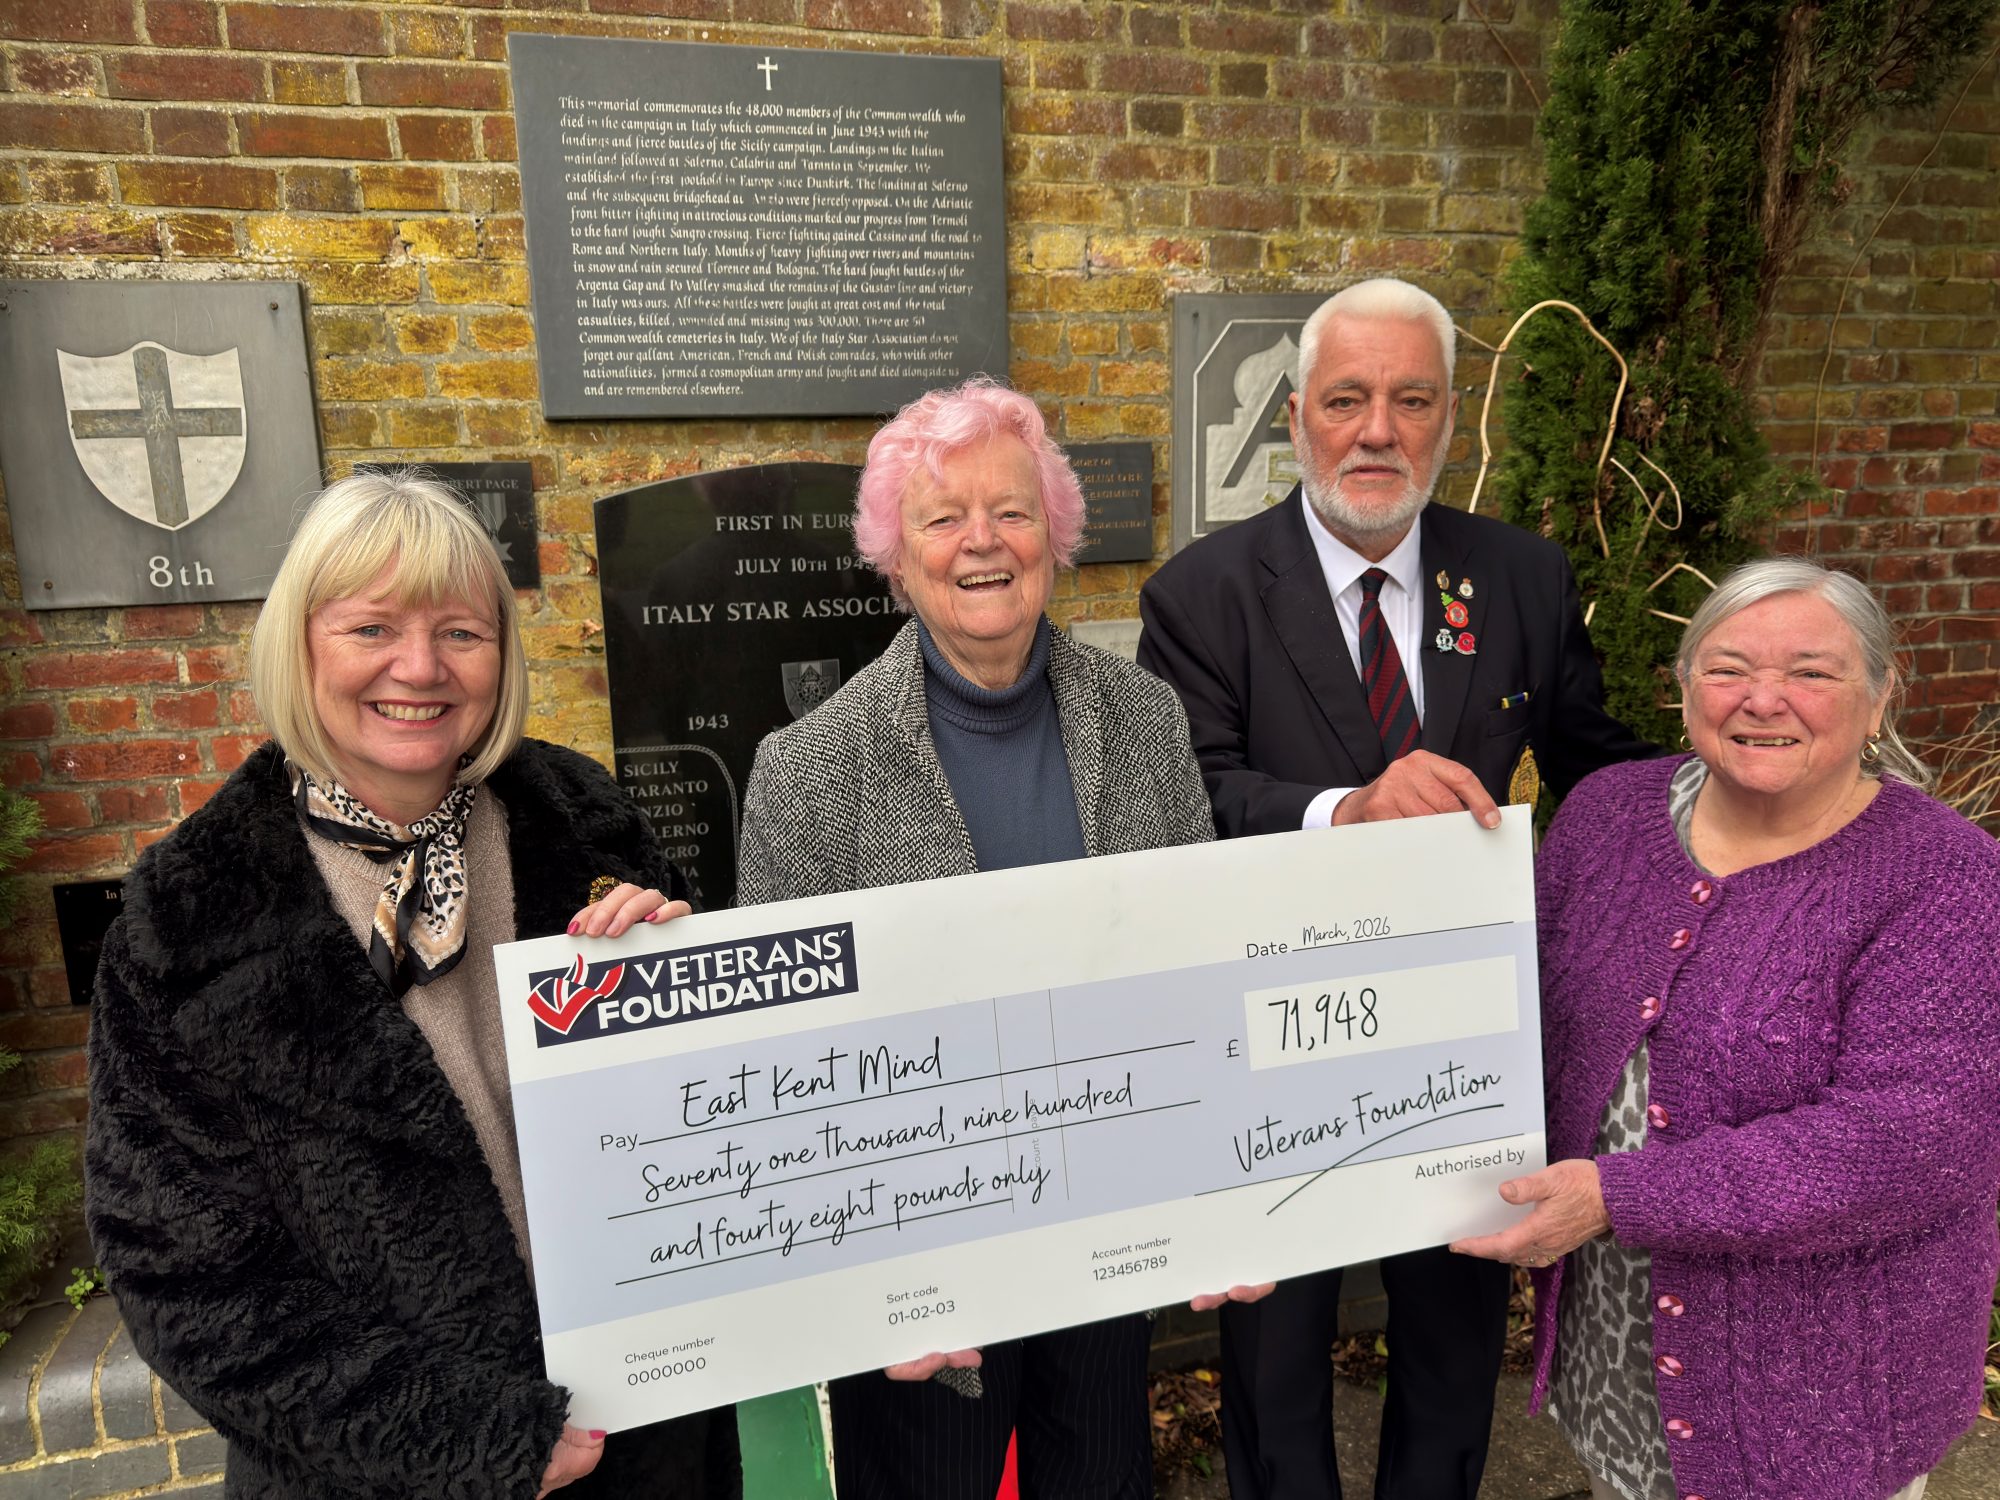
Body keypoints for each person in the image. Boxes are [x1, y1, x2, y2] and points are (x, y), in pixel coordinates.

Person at [85, 472, 738, 1499]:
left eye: (461, 633)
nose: (421, 667)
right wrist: (469, 1440)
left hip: (647, 1446)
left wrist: (690, 984)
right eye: (372, 628)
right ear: (301, 645)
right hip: (386, 1477)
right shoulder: (184, 923)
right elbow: (187, 1280)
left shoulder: (593, 826)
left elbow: (725, 1132)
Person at [1137, 277, 1654, 1500]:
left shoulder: (1519, 575)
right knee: (1273, 1349)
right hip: (1271, 1033)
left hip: (1461, 1035)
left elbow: (1593, 766)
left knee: (1453, 1333)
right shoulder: (1201, 592)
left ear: (1447, 416)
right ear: (1295, 418)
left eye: (1410, 400)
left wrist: (1743, 801)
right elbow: (1181, 797)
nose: (1376, 430)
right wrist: (1342, 811)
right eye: (1345, 400)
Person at [736, 378, 1266, 1500]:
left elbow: (1200, 975)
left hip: (1108, 1247)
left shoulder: (1144, 719)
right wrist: (857, 1288)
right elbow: (786, 1067)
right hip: (919, 1293)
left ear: (1053, 535)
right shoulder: (808, 769)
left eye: (1011, 511)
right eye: (943, 517)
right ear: (896, 554)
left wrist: (1224, 1201)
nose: (982, 540)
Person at [1452, 557, 2000, 1500]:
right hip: (1614, 1353)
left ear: (1879, 697)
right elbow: (1513, 1012)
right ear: (1684, 689)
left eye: (1812, 673)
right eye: (1727, 667)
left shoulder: (1947, 878)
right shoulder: (1607, 816)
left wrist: (1619, 1196)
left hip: (1816, 1399)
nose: (1763, 699)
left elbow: (1911, 1141)